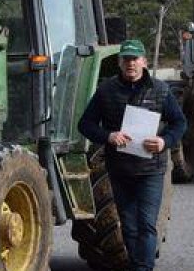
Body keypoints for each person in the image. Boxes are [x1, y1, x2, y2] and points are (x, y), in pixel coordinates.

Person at [78, 39, 187, 271]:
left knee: (146, 224)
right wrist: (108, 136)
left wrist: (163, 141)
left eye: (135, 59)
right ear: (120, 63)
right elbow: (85, 124)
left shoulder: (160, 90)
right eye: (126, 59)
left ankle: (143, 268)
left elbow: (179, 123)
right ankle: (136, 265)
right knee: (129, 226)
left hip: (151, 170)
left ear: (144, 62)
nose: (131, 63)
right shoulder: (106, 90)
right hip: (120, 170)